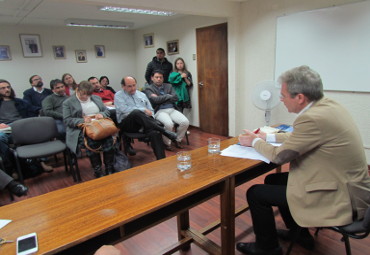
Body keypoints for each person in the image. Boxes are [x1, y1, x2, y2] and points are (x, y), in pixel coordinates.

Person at [237, 65, 370, 255]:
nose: (281, 100)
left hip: (339, 197)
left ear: (299, 97)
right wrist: (268, 137)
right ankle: (300, 235)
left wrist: (255, 141)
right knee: (273, 180)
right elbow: (300, 137)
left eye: (283, 96)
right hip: (346, 186)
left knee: (256, 193)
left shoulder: (312, 118)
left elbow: (279, 156)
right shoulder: (328, 105)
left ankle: (267, 248)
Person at [114, 76, 177, 159]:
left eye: (134, 85)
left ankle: (162, 160)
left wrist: (150, 115)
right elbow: (124, 109)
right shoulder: (118, 95)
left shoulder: (142, 94)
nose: (133, 88)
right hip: (128, 124)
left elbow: (151, 110)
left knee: (155, 133)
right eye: (129, 86)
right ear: (123, 86)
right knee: (136, 113)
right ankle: (164, 131)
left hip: (145, 123)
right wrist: (143, 109)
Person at [63, 81, 115, 178]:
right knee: (92, 140)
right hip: (82, 129)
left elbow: (106, 111)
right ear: (77, 90)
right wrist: (82, 120)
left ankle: (109, 167)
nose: (85, 97)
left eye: (88, 94)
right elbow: (67, 120)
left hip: (99, 125)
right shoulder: (68, 102)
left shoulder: (96, 98)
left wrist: (102, 114)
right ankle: (97, 170)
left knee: (109, 138)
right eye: (83, 94)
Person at [0, 79, 51, 172]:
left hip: (20, 127)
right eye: (3, 88)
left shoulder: (19, 101)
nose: (7, 89)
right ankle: (11, 169)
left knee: (37, 131)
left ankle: (42, 163)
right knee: (0, 138)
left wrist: (45, 110)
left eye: (8, 87)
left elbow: (34, 109)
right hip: (5, 129)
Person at [145, 70, 189, 150]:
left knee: (185, 122)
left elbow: (176, 98)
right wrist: (168, 96)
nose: (159, 79)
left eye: (160, 77)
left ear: (163, 78)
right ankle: (167, 143)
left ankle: (177, 140)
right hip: (159, 111)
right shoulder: (148, 88)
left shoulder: (169, 86)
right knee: (169, 124)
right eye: (156, 77)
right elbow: (155, 100)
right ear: (152, 78)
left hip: (172, 109)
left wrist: (161, 98)